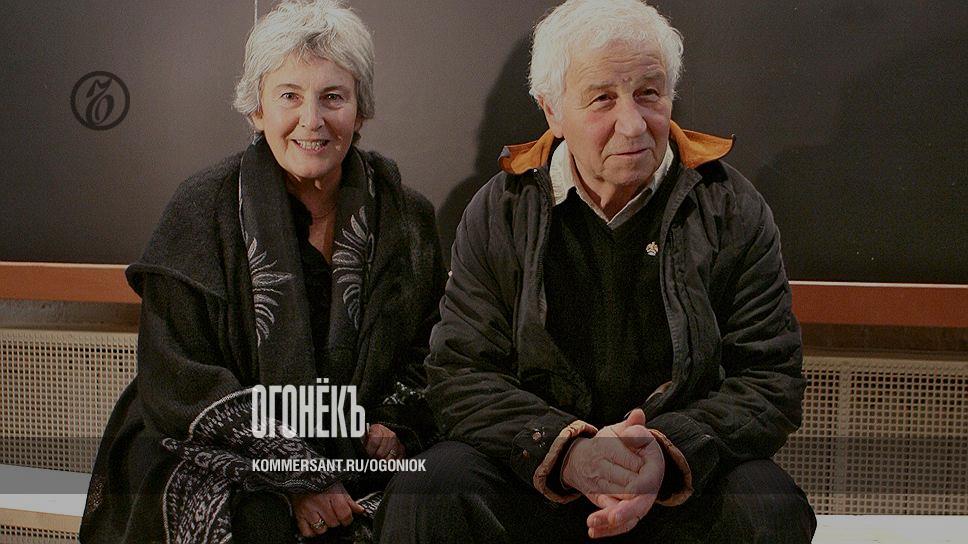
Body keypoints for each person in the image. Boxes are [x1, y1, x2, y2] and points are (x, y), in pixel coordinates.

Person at [376, 0, 815, 542]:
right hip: (538, 477)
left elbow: (769, 380)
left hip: (674, 483)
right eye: (602, 98)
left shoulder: (732, 208)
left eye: (649, 93)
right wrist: (569, 453)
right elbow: (461, 375)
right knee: (430, 489)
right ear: (552, 110)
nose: (632, 124)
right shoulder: (500, 211)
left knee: (768, 504)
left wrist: (667, 452)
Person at [79, 1, 445, 542]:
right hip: (212, 446)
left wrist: (395, 426)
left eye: (333, 97)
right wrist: (295, 475)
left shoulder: (406, 215)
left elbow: (433, 348)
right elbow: (179, 377)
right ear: (256, 110)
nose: (312, 120)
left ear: (360, 111)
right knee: (256, 518)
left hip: (357, 447)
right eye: (289, 96)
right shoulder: (201, 208)